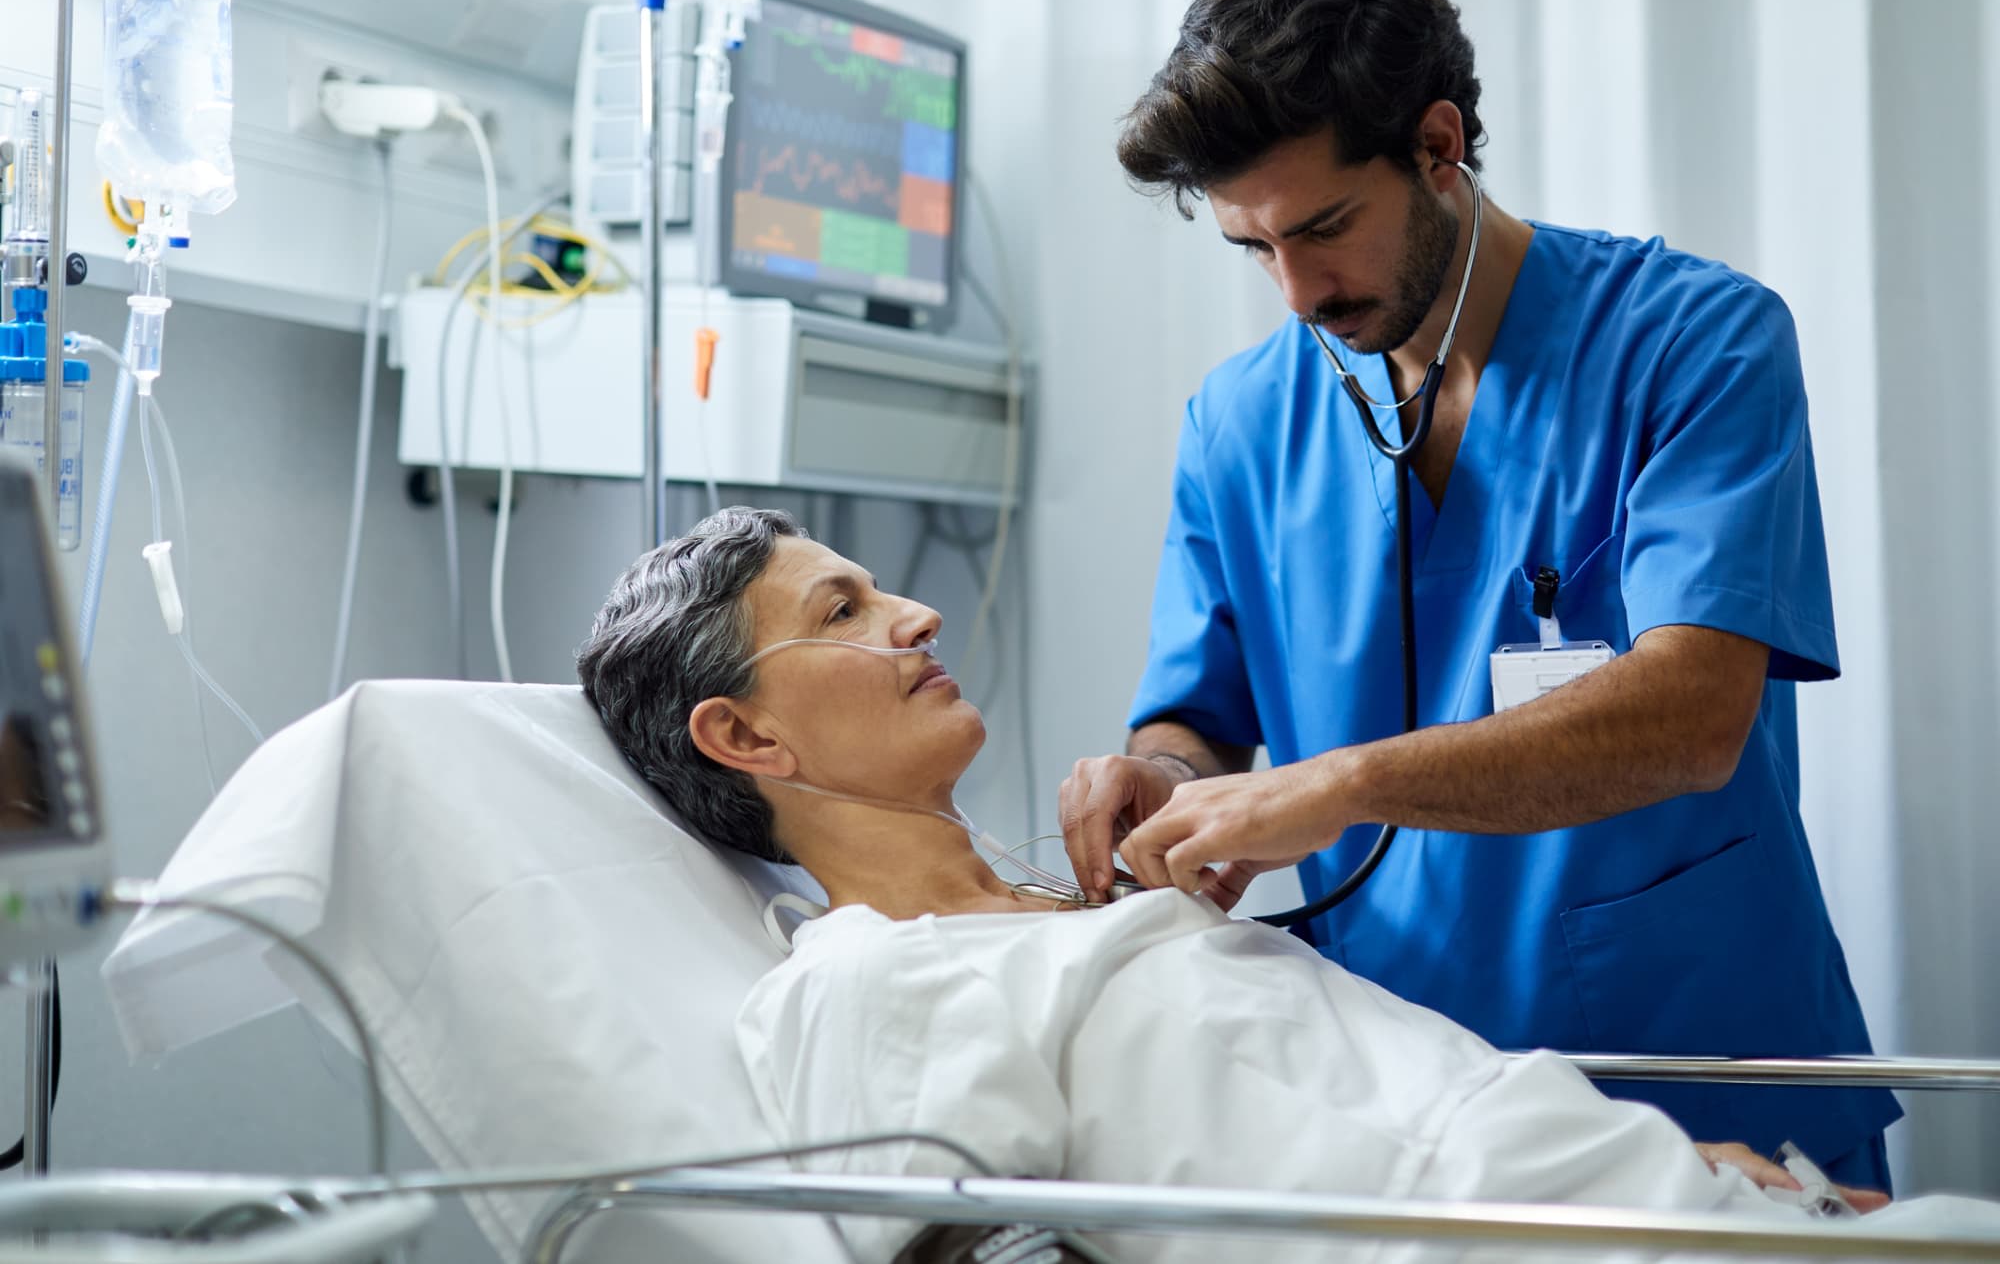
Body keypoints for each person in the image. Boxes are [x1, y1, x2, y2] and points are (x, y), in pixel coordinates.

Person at [1058, 0, 1897, 1189]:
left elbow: (1692, 714)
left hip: (1699, 1054)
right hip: (1413, 1101)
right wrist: (1157, 775)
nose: (1294, 291)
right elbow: (1197, 715)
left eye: (1323, 228)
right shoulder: (1237, 422)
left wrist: (1333, 786)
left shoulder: (1694, 342)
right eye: (1252, 248)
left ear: (1437, 146)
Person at [574, 509, 1911, 1264]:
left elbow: (1369, 1096)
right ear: (744, 737)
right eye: (842, 613)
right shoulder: (875, 973)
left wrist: (1673, 1170)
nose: (914, 615)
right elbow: (963, 1250)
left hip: (1655, 1198)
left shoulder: (1081, 917)